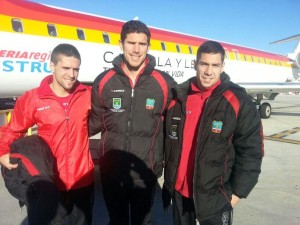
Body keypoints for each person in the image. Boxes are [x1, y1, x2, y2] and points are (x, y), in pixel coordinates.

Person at [162, 40, 264, 225]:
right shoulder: (178, 98)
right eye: (204, 64)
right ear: (195, 64)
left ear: (223, 66)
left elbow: (252, 152)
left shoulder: (237, 101)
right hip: (179, 194)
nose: (209, 71)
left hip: (215, 199)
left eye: (215, 65)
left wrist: (235, 195)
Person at [89, 20, 176, 225]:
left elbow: (177, 124)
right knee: (116, 221)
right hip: (111, 172)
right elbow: (91, 122)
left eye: (142, 44)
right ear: (121, 45)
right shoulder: (104, 81)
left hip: (145, 172)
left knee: (143, 222)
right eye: (131, 43)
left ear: (149, 46)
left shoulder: (164, 83)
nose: (136, 50)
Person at [0, 43, 94, 225]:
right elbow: (12, 130)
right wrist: (2, 151)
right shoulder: (33, 98)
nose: (72, 74)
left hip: (82, 181)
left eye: (76, 69)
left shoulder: (87, 95)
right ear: (52, 66)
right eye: (66, 68)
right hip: (49, 183)